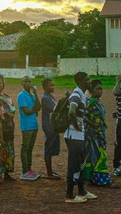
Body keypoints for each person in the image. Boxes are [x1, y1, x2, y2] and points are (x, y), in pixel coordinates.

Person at [64, 72, 96, 202]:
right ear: (82, 82)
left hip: (78, 134)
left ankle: (82, 190)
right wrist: (76, 125)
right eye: (88, 80)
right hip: (73, 135)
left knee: (81, 161)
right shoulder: (76, 94)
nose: (90, 81)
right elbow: (71, 110)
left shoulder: (82, 94)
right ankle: (69, 194)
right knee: (74, 163)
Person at [83, 79, 115, 187]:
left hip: (98, 133)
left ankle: (93, 179)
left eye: (101, 89)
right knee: (99, 156)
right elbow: (83, 116)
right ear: (91, 90)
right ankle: (103, 180)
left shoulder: (96, 103)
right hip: (93, 135)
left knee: (93, 156)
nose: (100, 91)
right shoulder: (90, 103)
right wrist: (92, 124)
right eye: (97, 89)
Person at [0, 73, 17, 180]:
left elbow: (13, 109)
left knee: (8, 148)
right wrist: (5, 115)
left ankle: (7, 172)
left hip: (9, 126)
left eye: (0, 83)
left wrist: (11, 114)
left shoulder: (7, 97)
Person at [17, 75, 41, 180]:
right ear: (22, 83)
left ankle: (29, 169)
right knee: (25, 147)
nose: (28, 83)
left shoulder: (32, 95)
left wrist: (35, 93)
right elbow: (27, 111)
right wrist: (34, 110)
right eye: (25, 82)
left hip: (34, 124)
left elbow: (39, 107)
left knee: (30, 148)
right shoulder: (21, 95)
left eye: (29, 81)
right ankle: (24, 171)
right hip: (26, 125)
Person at [40, 78, 60, 179]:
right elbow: (54, 110)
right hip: (49, 125)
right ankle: (49, 173)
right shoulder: (45, 98)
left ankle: (50, 172)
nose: (53, 87)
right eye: (50, 85)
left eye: (53, 85)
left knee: (50, 147)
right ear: (45, 87)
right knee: (48, 148)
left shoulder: (49, 96)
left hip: (51, 125)